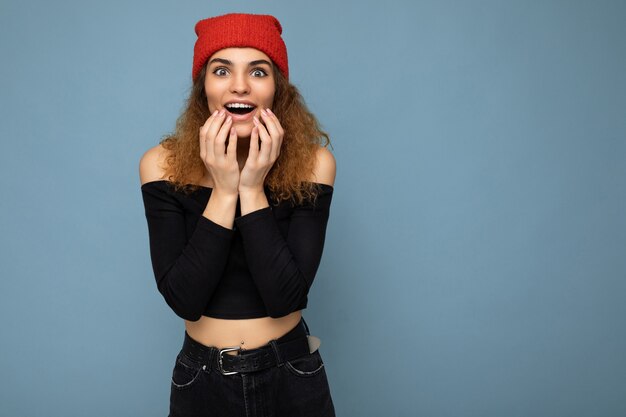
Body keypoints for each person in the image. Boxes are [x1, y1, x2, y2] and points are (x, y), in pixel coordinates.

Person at [139, 13, 337, 416]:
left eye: (258, 70)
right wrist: (224, 188)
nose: (240, 85)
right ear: (203, 88)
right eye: (222, 69)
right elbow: (184, 299)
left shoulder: (314, 164)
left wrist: (250, 187)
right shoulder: (161, 165)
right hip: (202, 380)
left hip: (291, 374)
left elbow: (285, 298)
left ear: (277, 90)